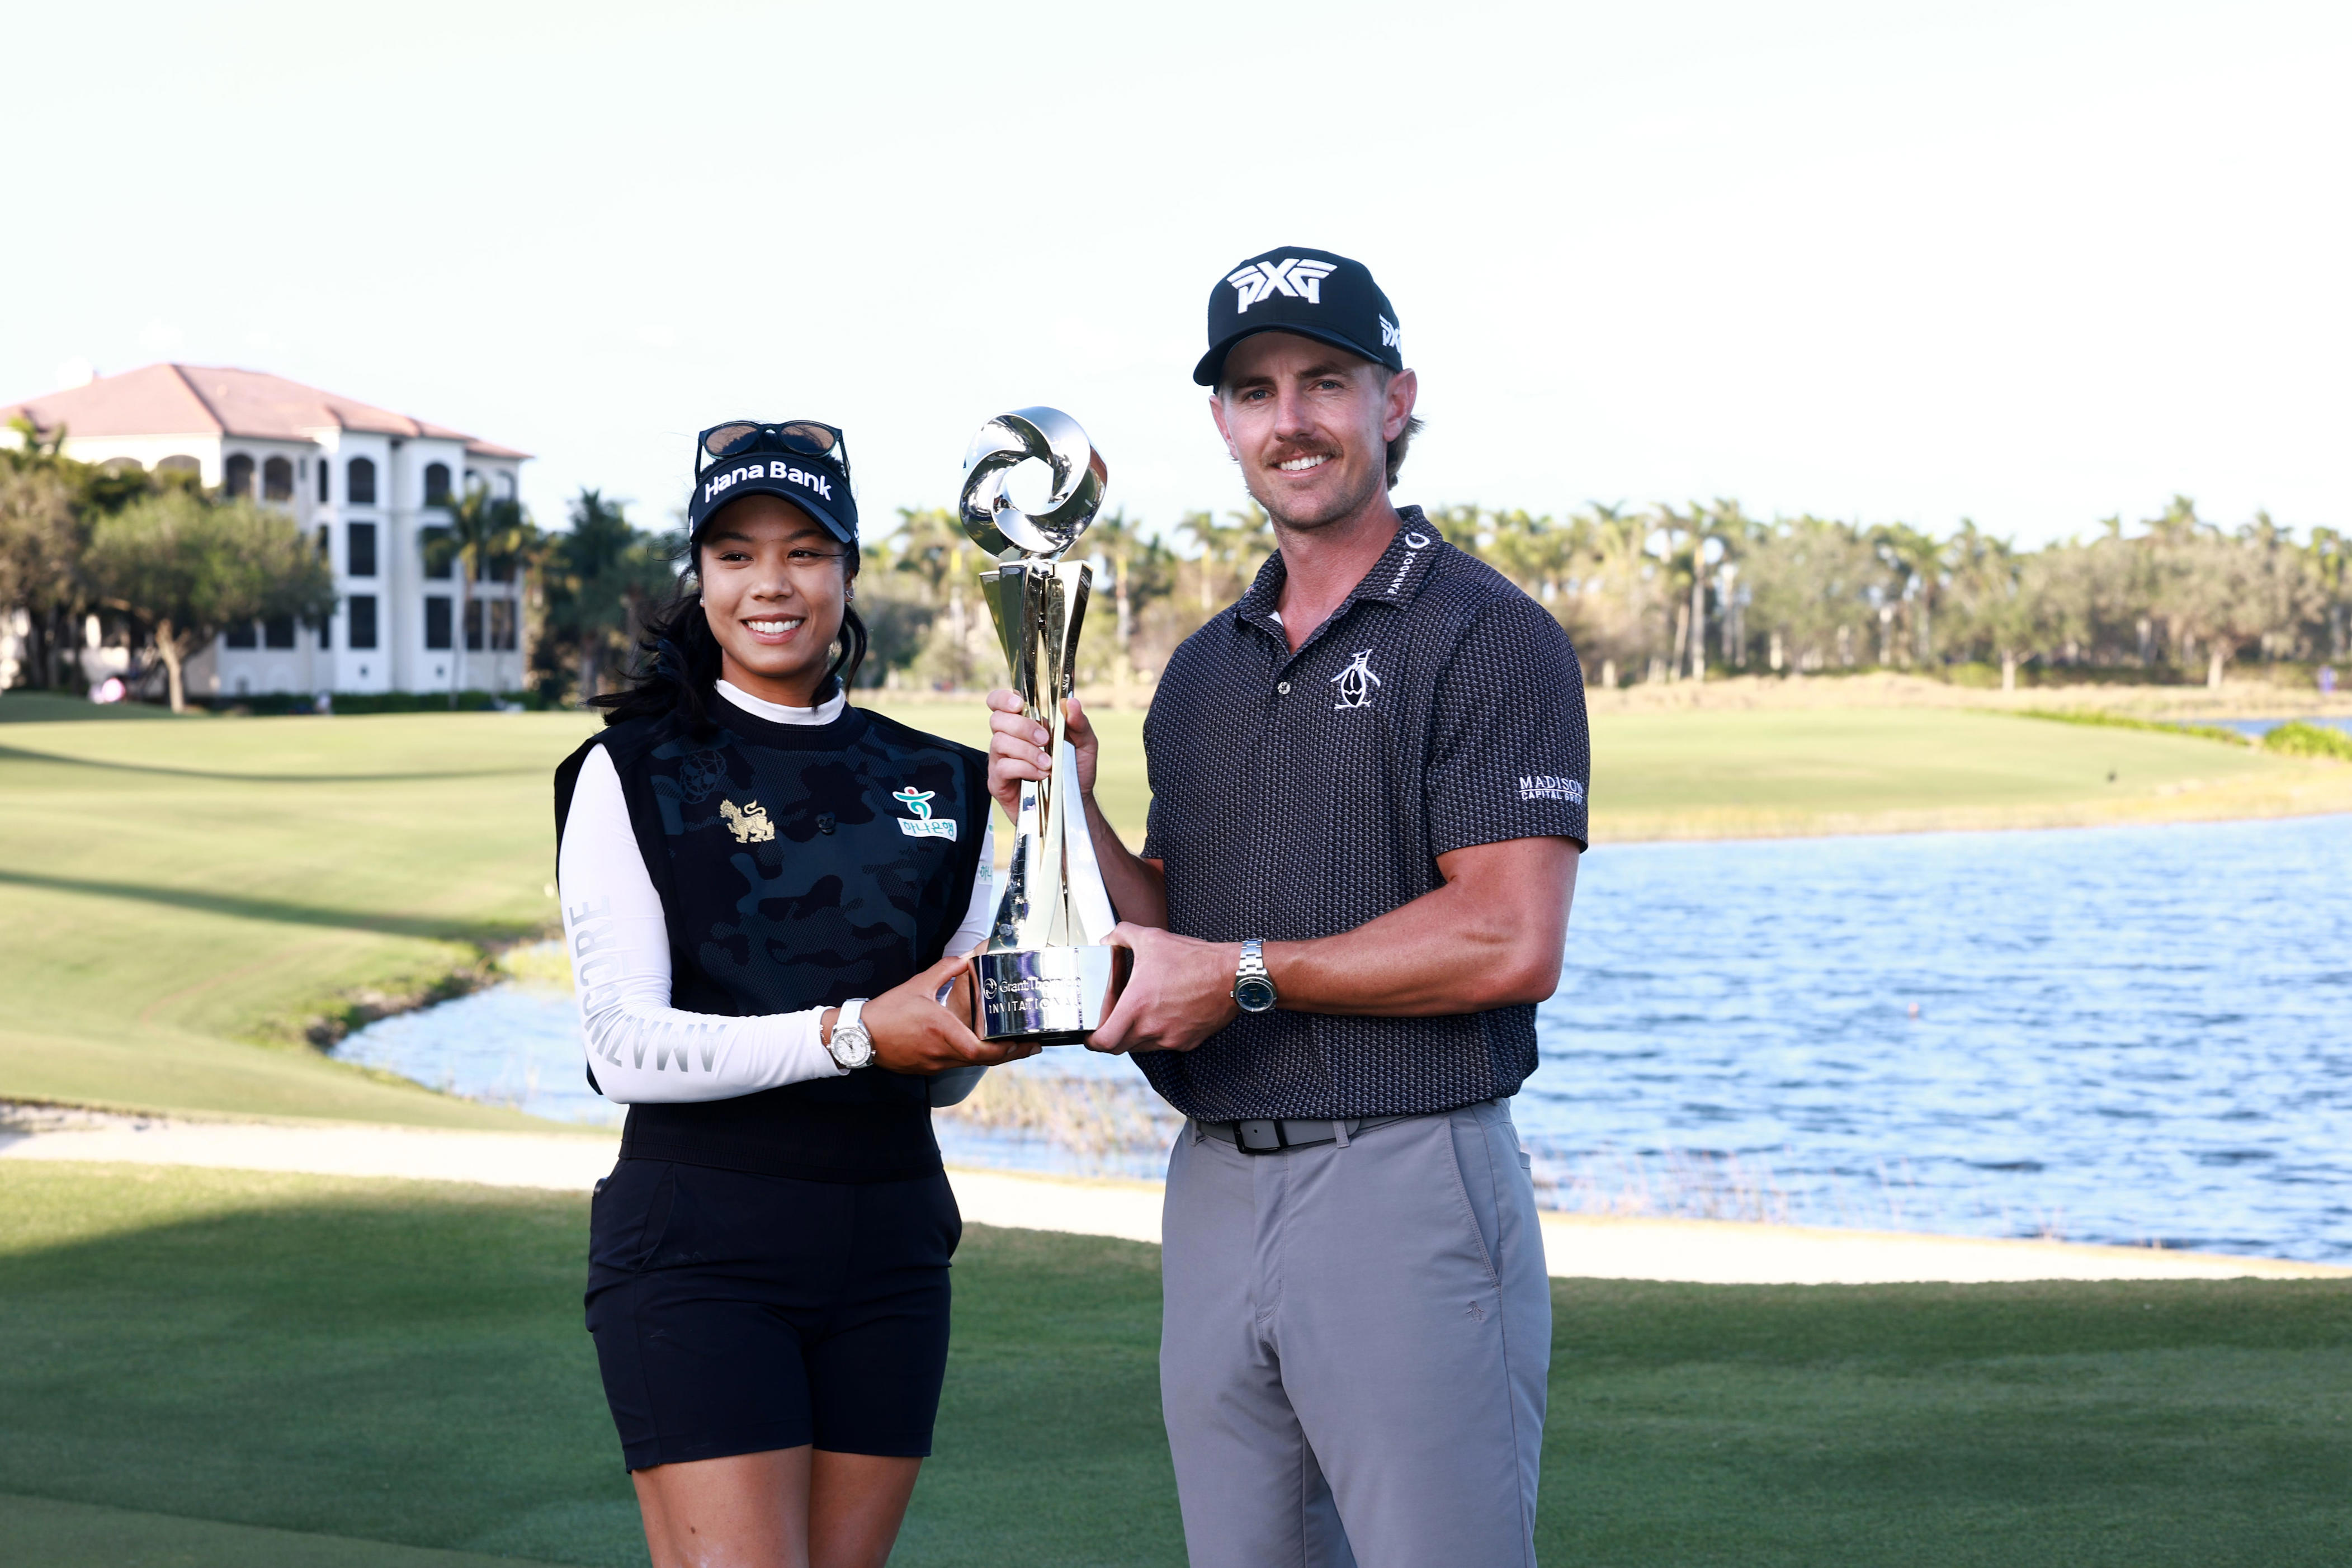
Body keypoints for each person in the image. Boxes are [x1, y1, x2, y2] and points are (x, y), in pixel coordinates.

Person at [988, 247, 1589, 1567]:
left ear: (1396, 399)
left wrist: (1246, 975)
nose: (1291, 418)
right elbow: (1168, 934)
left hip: (1409, 1172)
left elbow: (1510, 936)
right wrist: (1067, 810)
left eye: (1326, 380)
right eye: (1255, 391)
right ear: (1221, 423)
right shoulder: (1203, 671)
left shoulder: (1489, 634)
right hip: (1212, 1187)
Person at [557, 419, 1033, 1568]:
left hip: (891, 1244)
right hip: (701, 1245)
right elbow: (621, 1045)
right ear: (701, 575)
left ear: (850, 568)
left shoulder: (943, 778)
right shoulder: (630, 771)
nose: (772, 582)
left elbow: (951, 1049)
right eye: (736, 552)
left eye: (806, 549)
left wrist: (1045, 829)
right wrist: (854, 1033)